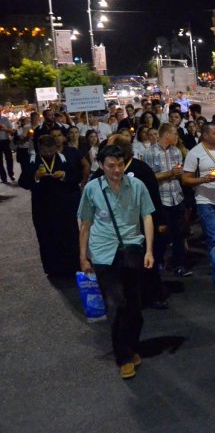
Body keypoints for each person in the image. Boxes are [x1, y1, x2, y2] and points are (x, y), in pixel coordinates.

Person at [77, 144, 156, 379]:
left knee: (135, 306)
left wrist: (149, 250)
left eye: (120, 165)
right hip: (103, 253)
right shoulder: (92, 189)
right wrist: (83, 256)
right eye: (111, 166)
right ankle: (123, 357)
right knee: (116, 304)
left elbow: (147, 216)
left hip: (132, 249)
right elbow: (85, 223)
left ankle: (132, 346)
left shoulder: (137, 186)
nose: (117, 170)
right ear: (101, 166)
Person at [20, 135, 82, 278]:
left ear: (56, 147)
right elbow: (22, 182)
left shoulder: (63, 159)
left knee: (69, 235)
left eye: (51, 150)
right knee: (46, 237)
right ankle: (52, 269)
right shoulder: (32, 160)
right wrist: (35, 176)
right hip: (42, 207)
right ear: (39, 149)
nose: (48, 153)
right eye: (45, 150)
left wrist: (64, 175)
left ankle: (73, 265)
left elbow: (77, 176)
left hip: (64, 206)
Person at [182, 122, 215, 295]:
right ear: (205, 135)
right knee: (214, 239)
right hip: (206, 201)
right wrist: (203, 180)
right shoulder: (194, 153)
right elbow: (186, 179)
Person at [142, 124, 188, 279]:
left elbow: (179, 174)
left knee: (179, 234)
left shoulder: (176, 151)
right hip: (162, 199)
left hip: (177, 197)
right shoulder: (150, 153)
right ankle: (158, 262)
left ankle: (179, 265)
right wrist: (170, 173)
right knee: (162, 235)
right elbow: (149, 178)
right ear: (166, 134)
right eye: (175, 134)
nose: (177, 137)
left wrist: (180, 173)